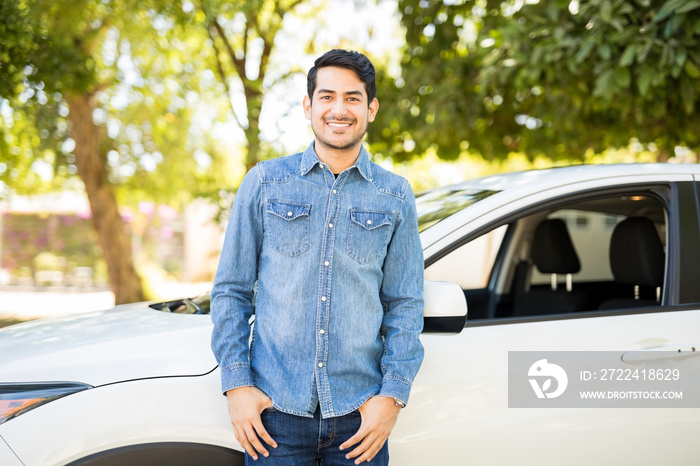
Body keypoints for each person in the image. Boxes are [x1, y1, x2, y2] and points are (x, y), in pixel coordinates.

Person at [211, 49, 424, 466]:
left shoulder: (395, 195)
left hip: (360, 418)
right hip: (275, 416)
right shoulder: (265, 182)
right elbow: (231, 290)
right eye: (327, 97)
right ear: (309, 106)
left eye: (352, 98)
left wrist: (392, 397)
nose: (339, 109)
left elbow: (405, 303)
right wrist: (236, 386)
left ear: (371, 108)